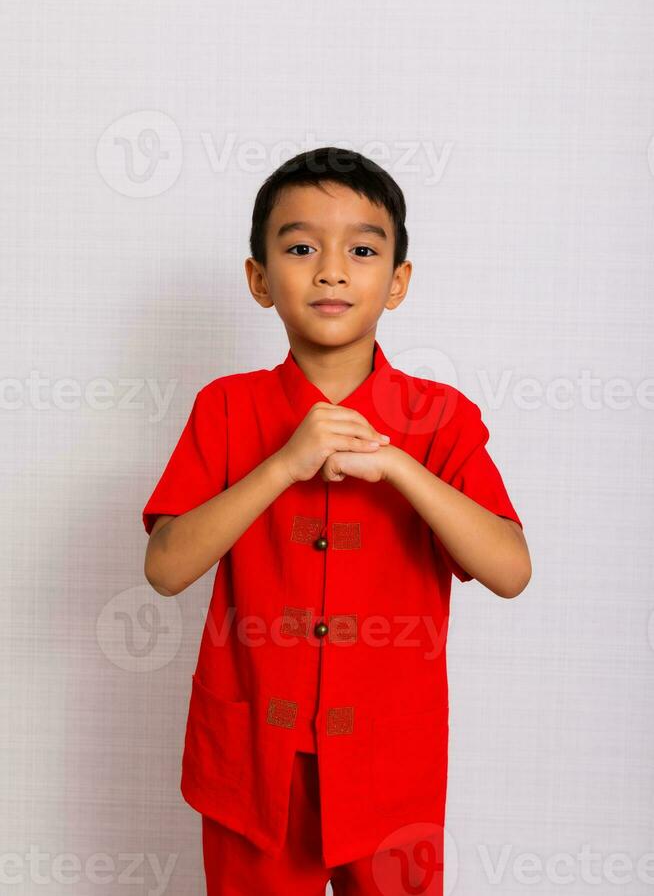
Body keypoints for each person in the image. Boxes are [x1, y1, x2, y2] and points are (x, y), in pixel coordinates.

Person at [141, 146, 531, 895]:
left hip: (390, 771)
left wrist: (399, 466)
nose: (330, 270)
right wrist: (284, 464)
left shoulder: (440, 418)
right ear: (259, 281)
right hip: (254, 763)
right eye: (298, 248)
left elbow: (510, 569)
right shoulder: (227, 409)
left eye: (360, 249)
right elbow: (165, 568)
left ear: (398, 283)